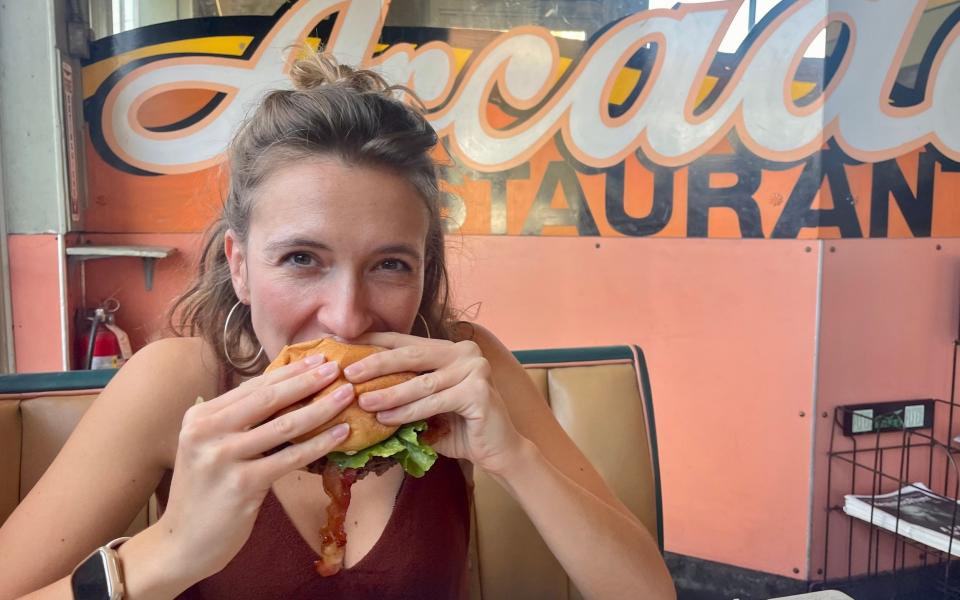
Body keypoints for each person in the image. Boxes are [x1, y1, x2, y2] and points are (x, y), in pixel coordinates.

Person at [0, 51, 676, 599]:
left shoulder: (464, 372)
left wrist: (516, 460)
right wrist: (167, 552)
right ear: (239, 264)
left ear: (425, 269)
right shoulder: (182, 388)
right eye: (301, 259)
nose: (347, 317)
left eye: (388, 264)